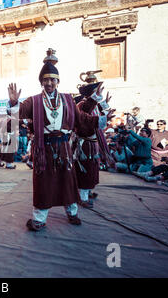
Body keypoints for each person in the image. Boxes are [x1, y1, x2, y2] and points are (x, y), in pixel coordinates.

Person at [7, 61, 113, 231]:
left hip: (64, 147)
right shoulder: (33, 101)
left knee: (67, 180)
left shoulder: (68, 100)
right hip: (44, 148)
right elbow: (20, 113)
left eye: (52, 79)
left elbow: (82, 119)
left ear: (58, 81)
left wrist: (100, 119)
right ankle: (39, 219)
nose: (49, 83)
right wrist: (13, 103)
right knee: (44, 183)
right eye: (45, 79)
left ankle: (72, 213)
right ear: (41, 82)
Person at [73, 83, 113, 208]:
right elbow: (86, 113)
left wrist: (105, 102)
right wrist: (96, 99)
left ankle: (87, 192)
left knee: (92, 170)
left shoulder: (93, 105)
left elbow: (102, 111)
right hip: (85, 145)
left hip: (92, 144)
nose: (98, 93)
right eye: (96, 91)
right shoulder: (81, 105)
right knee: (85, 170)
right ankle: (82, 197)